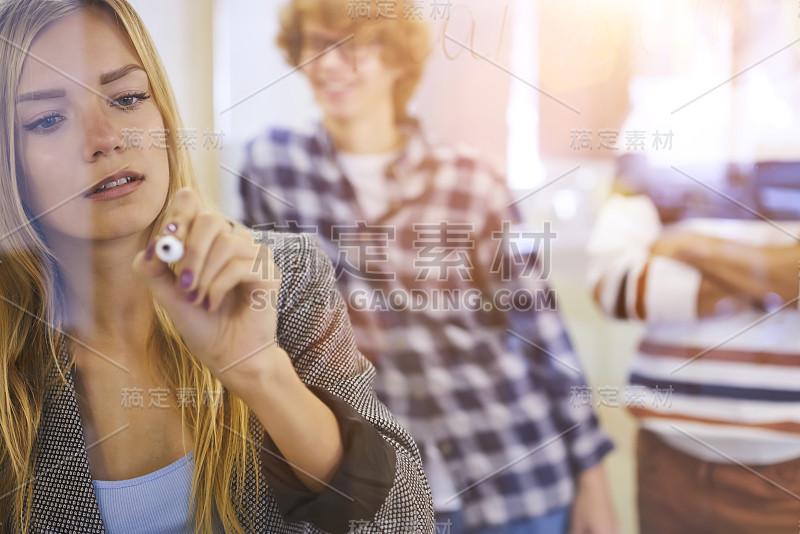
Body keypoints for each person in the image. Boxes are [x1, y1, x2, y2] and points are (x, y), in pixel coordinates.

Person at [0, 0, 434, 532]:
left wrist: (260, 371)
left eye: (128, 97)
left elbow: (406, 520)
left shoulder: (282, 279)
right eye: (47, 119)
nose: (105, 140)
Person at [238, 1, 617, 532]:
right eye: (314, 44)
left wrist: (593, 480)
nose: (326, 64)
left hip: (515, 480)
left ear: (397, 59)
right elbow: (267, 326)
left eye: (350, 45)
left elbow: (543, 333)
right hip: (382, 493)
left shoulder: (470, 178)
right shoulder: (272, 169)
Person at [587, 157, 800, 533]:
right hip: (666, 466)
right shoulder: (654, 118)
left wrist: (696, 249)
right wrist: (778, 278)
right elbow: (613, 284)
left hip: (788, 477)